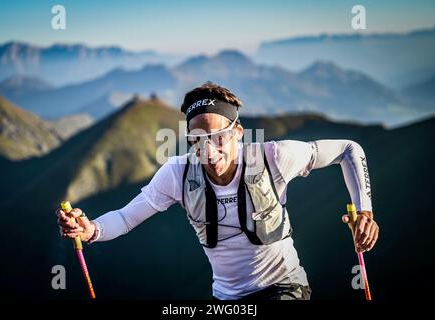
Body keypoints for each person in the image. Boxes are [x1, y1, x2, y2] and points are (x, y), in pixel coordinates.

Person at [56, 83, 379, 300]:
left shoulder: (273, 157)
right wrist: (92, 230)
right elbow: (126, 218)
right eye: (197, 140)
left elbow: (349, 150)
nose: (208, 151)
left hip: (285, 287)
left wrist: (364, 212)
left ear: (238, 132)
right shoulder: (178, 174)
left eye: (218, 138)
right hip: (226, 298)